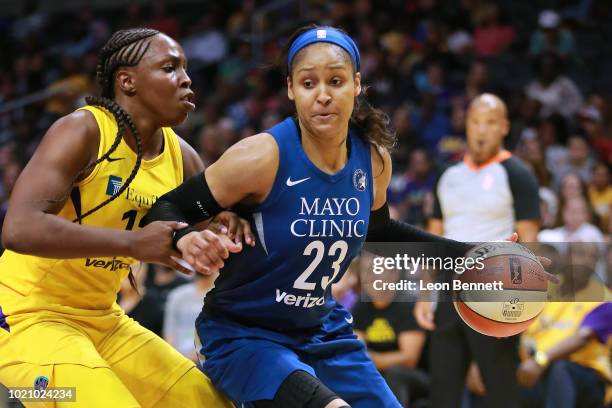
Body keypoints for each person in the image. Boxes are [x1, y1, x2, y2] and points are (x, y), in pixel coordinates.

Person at [145, 25, 483, 408]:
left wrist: (472, 254)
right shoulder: (261, 157)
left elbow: (381, 231)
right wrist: (185, 237)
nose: (322, 95)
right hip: (245, 335)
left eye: (336, 81)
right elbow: (166, 208)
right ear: (291, 89)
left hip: (322, 332)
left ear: (356, 84)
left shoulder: (373, 161)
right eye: (308, 84)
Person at [0, 28, 252, 407]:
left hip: (103, 319)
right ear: (127, 81)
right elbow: (18, 228)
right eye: (169, 68)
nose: (185, 78)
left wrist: (223, 233)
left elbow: (206, 234)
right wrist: (133, 244)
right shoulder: (83, 130)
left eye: (185, 68)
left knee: (209, 402)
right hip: (24, 316)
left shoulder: (182, 157)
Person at [415, 93, 541, 408]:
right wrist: (423, 293)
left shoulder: (518, 174)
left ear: (504, 127)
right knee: (442, 392)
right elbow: (434, 237)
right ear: (465, 126)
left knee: (500, 392)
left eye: (490, 123)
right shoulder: (447, 174)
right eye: (475, 122)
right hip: (448, 291)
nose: (481, 130)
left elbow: (530, 241)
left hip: (494, 293)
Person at [518, 302, 611, 408]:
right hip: (542, 374)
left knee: (560, 368)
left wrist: (540, 360)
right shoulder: (546, 302)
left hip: (587, 379)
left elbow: (583, 338)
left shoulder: (603, 301)